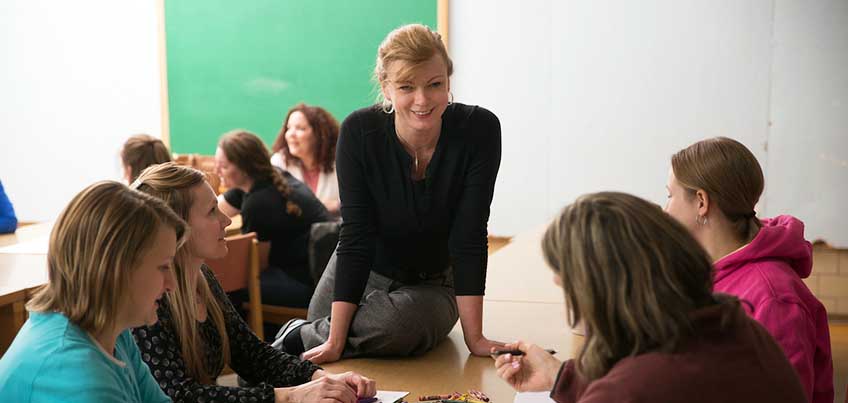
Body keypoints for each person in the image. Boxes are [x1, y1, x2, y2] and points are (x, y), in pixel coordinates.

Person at [274, 23, 504, 364]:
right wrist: (335, 339)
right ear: (386, 87)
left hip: (432, 287)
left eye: (435, 84)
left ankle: (295, 335)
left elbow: (469, 235)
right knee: (312, 357)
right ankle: (287, 350)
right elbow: (356, 237)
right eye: (406, 86)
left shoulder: (479, 130)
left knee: (400, 324)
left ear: (448, 80)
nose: (422, 100)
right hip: (360, 271)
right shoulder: (359, 132)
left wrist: (476, 339)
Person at [494, 192, 807, 402]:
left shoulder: (636, 386)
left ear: (604, 287)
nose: (558, 280)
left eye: (566, 273)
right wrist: (560, 376)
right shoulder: (731, 325)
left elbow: (639, 388)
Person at [132, 162, 375, 403]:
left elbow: (252, 355)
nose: (226, 220)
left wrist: (321, 378)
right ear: (178, 227)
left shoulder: (202, 277)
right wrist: (290, 396)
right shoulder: (150, 298)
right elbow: (180, 396)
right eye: (211, 211)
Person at [665, 137, 833, 403]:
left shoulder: (774, 298)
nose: (666, 210)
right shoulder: (706, 276)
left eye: (670, 196)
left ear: (700, 202)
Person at [0, 181, 185, 402]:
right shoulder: (77, 375)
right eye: (164, 266)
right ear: (116, 269)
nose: (171, 284)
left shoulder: (113, 331)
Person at [216, 130, 331, 309]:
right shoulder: (268, 177)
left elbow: (255, 267)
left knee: (223, 286)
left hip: (307, 284)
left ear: (243, 168)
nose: (217, 171)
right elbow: (218, 207)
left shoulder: (259, 203)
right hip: (317, 274)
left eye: (223, 166)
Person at [271, 103, 341, 216]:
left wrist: (337, 205)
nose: (291, 134)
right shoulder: (279, 162)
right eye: (288, 128)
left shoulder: (340, 162)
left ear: (320, 134)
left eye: (300, 128)